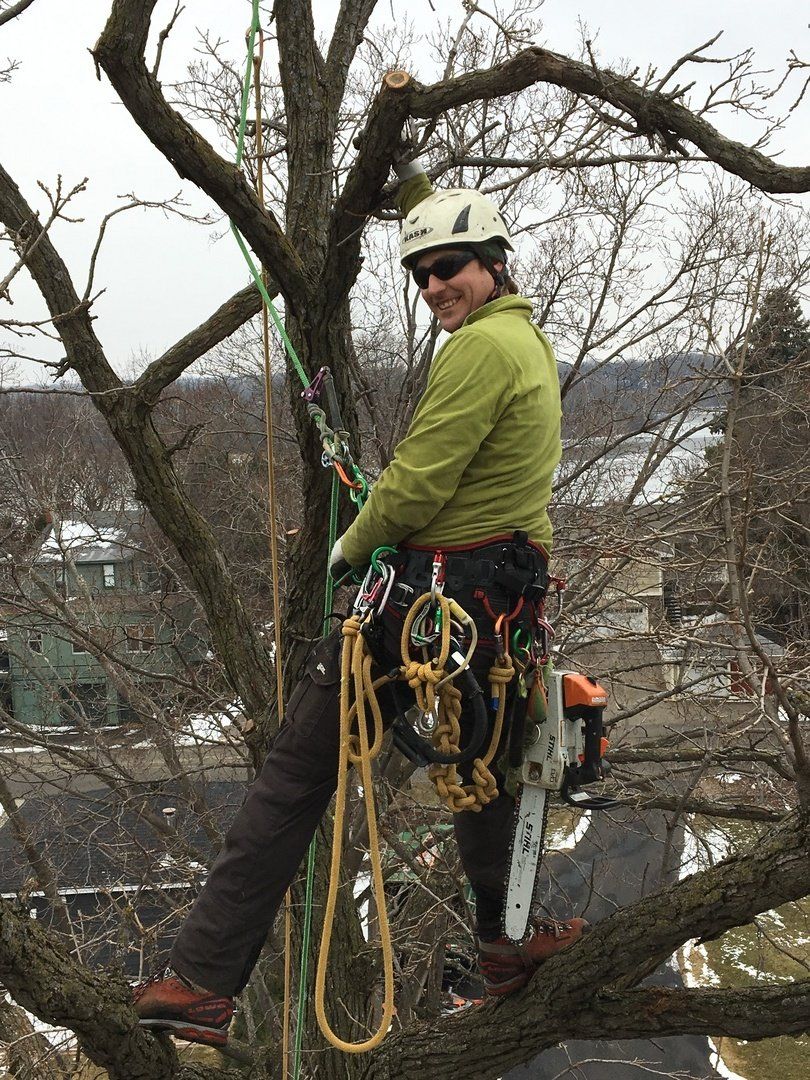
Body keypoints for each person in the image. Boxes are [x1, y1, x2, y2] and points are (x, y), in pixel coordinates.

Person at [133, 158, 588, 1048]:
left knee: (297, 775)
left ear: (494, 262)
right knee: (483, 770)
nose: (431, 286)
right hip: (491, 604)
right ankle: (504, 945)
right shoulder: (521, 336)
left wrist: (348, 547)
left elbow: (415, 484)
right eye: (418, 273)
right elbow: (450, 239)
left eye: (447, 268)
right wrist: (411, 186)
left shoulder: (480, 349)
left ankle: (200, 981)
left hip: (428, 600)